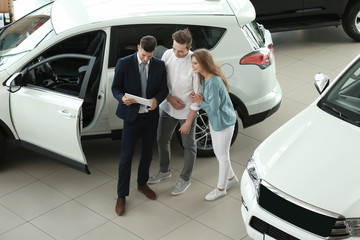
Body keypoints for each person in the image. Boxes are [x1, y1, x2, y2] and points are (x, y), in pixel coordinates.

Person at [112, 35, 168, 215]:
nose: (146, 59)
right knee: (126, 157)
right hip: (131, 117)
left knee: (147, 153)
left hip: (150, 117)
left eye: (149, 56)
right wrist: (122, 98)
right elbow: (116, 88)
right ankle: (121, 195)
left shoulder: (159, 65)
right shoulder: (124, 63)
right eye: (143, 55)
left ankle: (142, 183)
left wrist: (156, 100)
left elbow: (164, 89)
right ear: (138, 48)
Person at [148, 29, 201, 195]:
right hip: (168, 107)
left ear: (189, 48)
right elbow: (161, 81)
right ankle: (165, 170)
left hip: (187, 112)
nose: (176, 53)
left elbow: (198, 96)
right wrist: (169, 99)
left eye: (181, 51)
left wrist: (188, 121)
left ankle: (185, 179)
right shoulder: (168, 55)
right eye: (174, 49)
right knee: (162, 139)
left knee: (189, 146)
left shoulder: (195, 64)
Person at [190, 49, 238, 201]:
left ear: (205, 63)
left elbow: (214, 109)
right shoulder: (204, 79)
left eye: (195, 63)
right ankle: (231, 179)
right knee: (219, 153)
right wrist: (200, 98)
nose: (193, 66)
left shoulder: (214, 82)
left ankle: (221, 189)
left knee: (223, 156)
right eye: (192, 63)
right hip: (216, 121)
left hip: (224, 122)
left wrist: (200, 101)